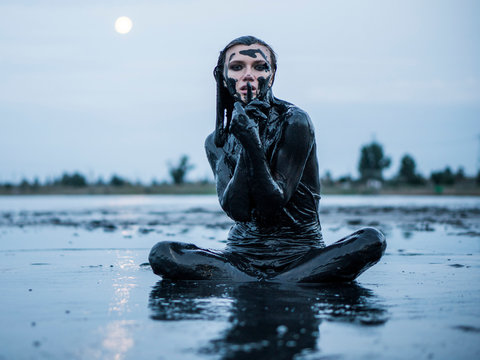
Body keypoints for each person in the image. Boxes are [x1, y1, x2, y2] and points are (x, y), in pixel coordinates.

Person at [149, 36, 386, 282]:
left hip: (300, 256)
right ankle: (283, 282)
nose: (248, 75)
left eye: (260, 67)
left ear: (272, 76)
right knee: (164, 253)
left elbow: (274, 200)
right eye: (237, 67)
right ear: (222, 76)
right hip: (240, 258)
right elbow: (236, 210)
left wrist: (252, 142)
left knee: (372, 239)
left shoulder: (294, 121)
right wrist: (244, 142)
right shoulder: (215, 141)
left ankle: (266, 280)